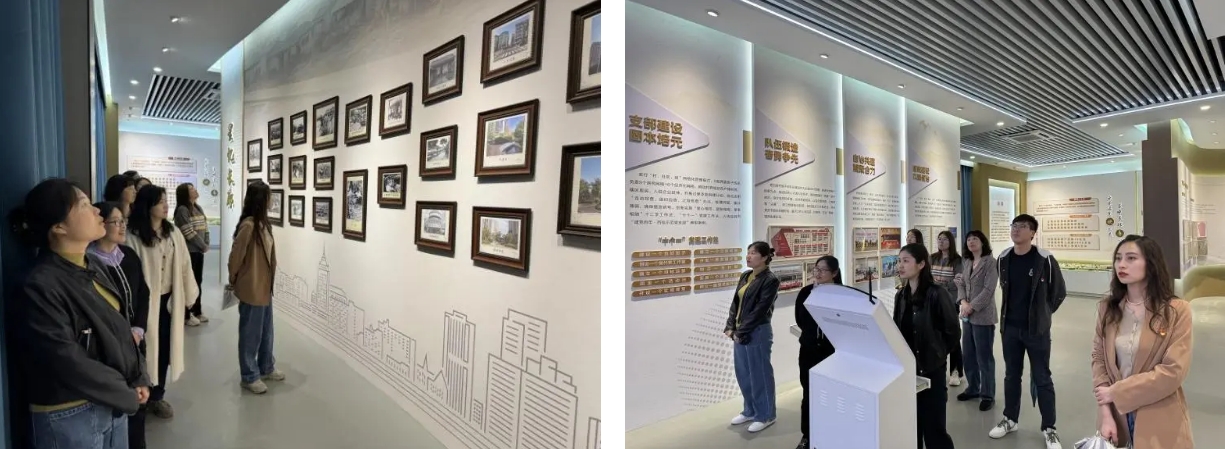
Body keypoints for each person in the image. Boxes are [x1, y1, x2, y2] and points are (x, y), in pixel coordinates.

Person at [7, 178, 149, 449]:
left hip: (111, 401)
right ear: (59, 227)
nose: (96, 210)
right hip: (70, 414)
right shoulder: (40, 284)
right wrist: (124, 391)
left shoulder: (91, 263)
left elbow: (120, 329)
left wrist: (138, 374)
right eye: (84, 205)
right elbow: (66, 360)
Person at [1092, 235, 1194, 449]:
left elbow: (1173, 371)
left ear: (1151, 264)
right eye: (1118, 258)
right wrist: (1106, 413)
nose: (1121, 265)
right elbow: (1099, 359)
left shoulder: (1176, 311)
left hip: (1158, 414)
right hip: (1115, 415)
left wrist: (1116, 392)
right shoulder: (1107, 308)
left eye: (1131, 258)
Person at [989, 214, 1066, 449]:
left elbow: (1058, 292)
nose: (1016, 230)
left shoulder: (1044, 259)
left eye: (1022, 227)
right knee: (1011, 375)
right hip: (1010, 329)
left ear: (1033, 233)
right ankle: (1010, 419)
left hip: (1036, 331)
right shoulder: (1003, 258)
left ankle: (1049, 428)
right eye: (1014, 226)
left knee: (1042, 377)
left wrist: (1043, 314)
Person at [126, 185, 199, 419]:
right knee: (143, 350)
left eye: (166, 200)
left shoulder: (173, 233)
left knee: (165, 349)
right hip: (143, 303)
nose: (166, 205)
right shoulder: (133, 236)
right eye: (160, 202)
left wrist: (189, 297)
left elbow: (185, 265)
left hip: (168, 301)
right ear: (147, 206)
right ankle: (139, 396)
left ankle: (157, 395)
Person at [89, 201, 154, 448]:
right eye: (115, 222)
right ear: (100, 224)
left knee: (139, 400)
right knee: (117, 405)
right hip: (110, 349)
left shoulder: (129, 255)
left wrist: (138, 328)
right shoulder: (89, 263)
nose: (122, 226)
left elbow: (143, 293)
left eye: (123, 221)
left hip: (135, 342)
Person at [892, 243, 958, 449]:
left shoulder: (937, 293)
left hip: (931, 370)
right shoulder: (901, 296)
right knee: (912, 426)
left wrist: (937, 354)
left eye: (906, 261)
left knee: (934, 429)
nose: (900, 265)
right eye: (899, 261)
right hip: (908, 371)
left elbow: (953, 332)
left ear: (921, 264)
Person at [229, 180, 285, 394]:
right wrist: (234, 279)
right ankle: (249, 375)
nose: (272, 200)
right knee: (250, 333)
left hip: (264, 287)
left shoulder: (263, 224)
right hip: (252, 287)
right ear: (262, 200)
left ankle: (266, 366)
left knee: (266, 331)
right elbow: (235, 257)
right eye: (269, 196)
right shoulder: (249, 226)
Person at [724, 241, 780, 433]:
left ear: (764, 257)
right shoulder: (746, 275)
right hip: (740, 331)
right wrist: (730, 326)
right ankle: (750, 410)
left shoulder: (770, 280)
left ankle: (766, 415)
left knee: (760, 375)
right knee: (744, 373)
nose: (748, 256)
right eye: (748, 252)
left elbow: (760, 310)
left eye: (753, 253)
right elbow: (735, 303)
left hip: (758, 331)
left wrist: (740, 331)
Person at [794, 256, 841, 449]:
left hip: (832, 353)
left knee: (832, 394)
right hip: (809, 351)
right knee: (809, 393)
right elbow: (800, 319)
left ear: (834, 273)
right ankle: (808, 435)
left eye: (823, 270)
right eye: (816, 269)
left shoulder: (842, 294)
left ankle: (831, 433)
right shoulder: (806, 292)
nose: (818, 273)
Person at [954, 230, 999, 412]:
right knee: (968, 355)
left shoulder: (990, 262)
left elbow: (989, 290)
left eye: (975, 239)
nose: (971, 242)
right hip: (967, 316)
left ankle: (988, 395)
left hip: (983, 316)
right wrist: (963, 302)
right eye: (969, 239)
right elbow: (961, 283)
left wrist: (971, 306)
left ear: (982, 242)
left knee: (984, 357)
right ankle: (973, 388)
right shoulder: (967, 261)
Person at [173, 183, 210, 326]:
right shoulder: (182, 210)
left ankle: (197, 310)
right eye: (191, 189)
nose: (195, 190)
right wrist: (203, 245)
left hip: (198, 251)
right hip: (189, 252)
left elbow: (205, 227)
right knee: (188, 282)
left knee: (198, 281)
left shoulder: (198, 208)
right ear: (185, 193)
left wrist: (206, 243)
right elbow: (188, 232)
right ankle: (187, 314)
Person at [931, 230, 965, 386]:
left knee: (953, 336)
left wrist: (939, 286)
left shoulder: (957, 260)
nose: (941, 241)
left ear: (951, 241)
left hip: (950, 302)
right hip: (934, 302)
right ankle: (938, 369)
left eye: (945, 239)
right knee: (935, 336)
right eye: (939, 239)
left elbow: (957, 281)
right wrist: (939, 285)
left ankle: (955, 371)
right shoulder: (932, 258)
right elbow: (928, 278)